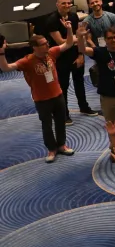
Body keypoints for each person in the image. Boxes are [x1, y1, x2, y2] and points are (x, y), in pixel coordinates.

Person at [0, 20, 79, 162]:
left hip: (58, 94)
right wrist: (1, 52)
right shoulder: (27, 61)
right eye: (43, 44)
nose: (48, 45)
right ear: (34, 47)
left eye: (47, 42)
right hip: (41, 99)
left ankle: (61, 145)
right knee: (47, 125)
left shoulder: (52, 52)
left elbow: (68, 43)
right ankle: (52, 149)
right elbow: (6, 68)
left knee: (61, 122)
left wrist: (68, 29)